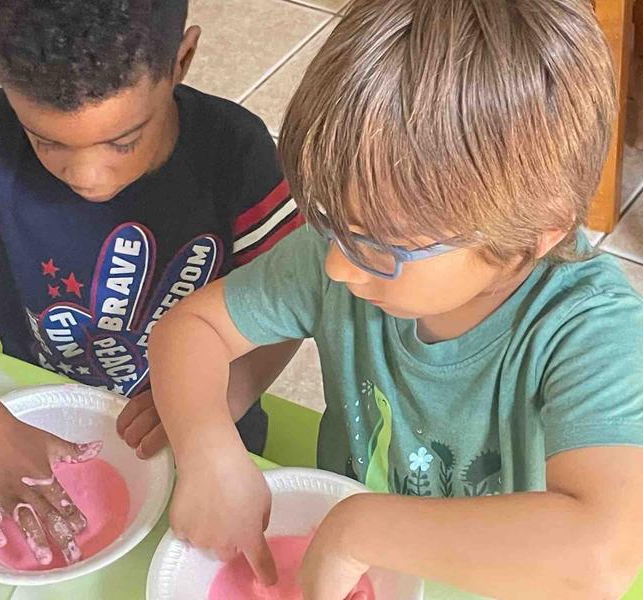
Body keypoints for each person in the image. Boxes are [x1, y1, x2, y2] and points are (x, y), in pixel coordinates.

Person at [146, 0, 643, 598]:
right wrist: (207, 449)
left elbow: (601, 555)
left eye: (382, 245)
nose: (336, 263)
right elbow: (191, 327)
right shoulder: (342, 250)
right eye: (330, 220)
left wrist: (362, 530)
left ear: (531, 238)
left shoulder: (591, 330)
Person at [0, 0, 300, 566]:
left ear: (181, 60)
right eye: (47, 141)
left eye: (124, 140)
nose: (87, 176)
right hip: (37, 427)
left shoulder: (237, 152)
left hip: (212, 438)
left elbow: (288, 310)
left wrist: (208, 411)